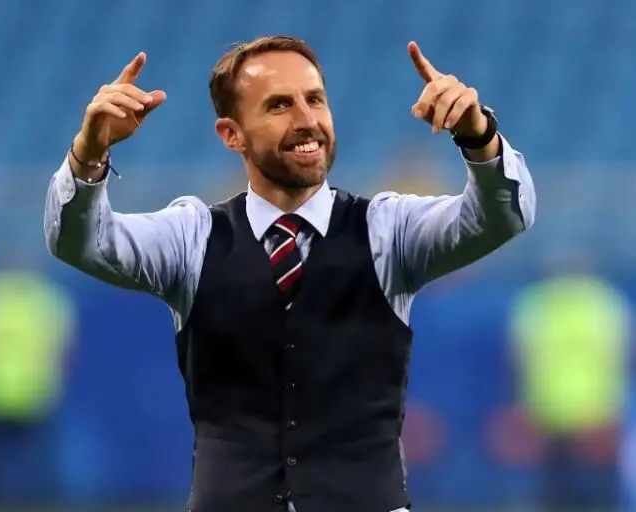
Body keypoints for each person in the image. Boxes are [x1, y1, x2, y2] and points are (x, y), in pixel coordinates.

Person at [44, 36, 535, 512]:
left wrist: (478, 135)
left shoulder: (387, 229)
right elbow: (79, 242)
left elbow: (503, 217)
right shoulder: (193, 237)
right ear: (231, 134)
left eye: (315, 99)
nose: (307, 121)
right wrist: (89, 154)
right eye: (279, 105)